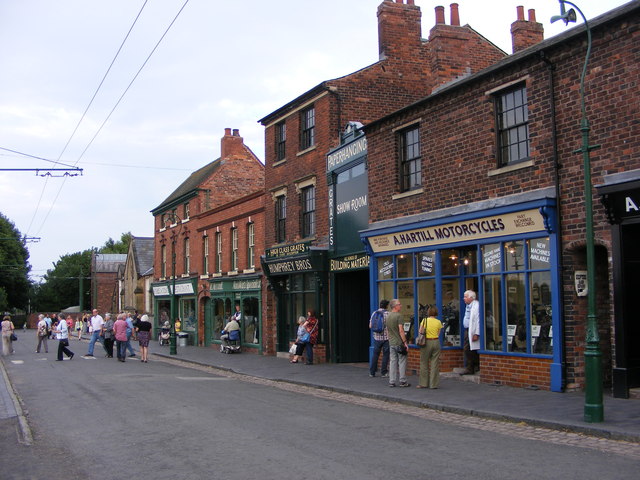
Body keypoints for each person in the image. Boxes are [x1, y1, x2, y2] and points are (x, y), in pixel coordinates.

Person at [417, 306, 444, 389]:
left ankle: (423, 383)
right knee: (434, 363)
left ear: (428, 312)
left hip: (426, 342)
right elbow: (438, 333)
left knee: (424, 362)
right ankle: (433, 384)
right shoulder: (438, 322)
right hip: (436, 342)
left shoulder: (424, 321)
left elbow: (420, 331)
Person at [387, 299, 410, 387]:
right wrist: (405, 342)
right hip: (399, 342)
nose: (401, 306)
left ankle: (392, 381)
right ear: (395, 306)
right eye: (399, 304)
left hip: (391, 342)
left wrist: (389, 339)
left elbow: (388, 329)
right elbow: (401, 330)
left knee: (393, 361)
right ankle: (402, 380)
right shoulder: (399, 316)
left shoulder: (388, 316)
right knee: (402, 361)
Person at [461, 290, 480, 375]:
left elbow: (478, 320)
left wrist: (476, 333)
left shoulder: (476, 306)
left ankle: (471, 367)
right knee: (468, 349)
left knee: (469, 349)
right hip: (467, 330)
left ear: (471, 298)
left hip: (472, 330)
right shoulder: (468, 306)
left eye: (465, 296)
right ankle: (473, 366)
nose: (463, 298)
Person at [369, 299, 390, 378]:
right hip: (386, 338)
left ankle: (372, 372)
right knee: (385, 355)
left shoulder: (374, 313)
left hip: (376, 338)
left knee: (375, 355)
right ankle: (383, 372)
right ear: (387, 306)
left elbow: (370, 326)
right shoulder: (388, 314)